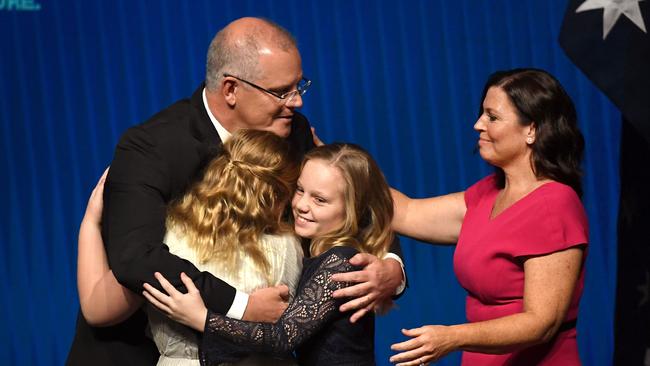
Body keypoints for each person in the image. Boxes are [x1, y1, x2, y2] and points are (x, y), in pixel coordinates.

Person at [67, 17, 405, 366]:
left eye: (299, 86)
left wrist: (391, 269)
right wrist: (242, 306)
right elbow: (136, 259)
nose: (297, 102)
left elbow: (354, 199)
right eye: (281, 91)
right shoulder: (152, 147)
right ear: (230, 89)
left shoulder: (293, 132)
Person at [389, 68, 588, 365]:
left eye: (492, 117)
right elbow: (404, 212)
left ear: (531, 130)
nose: (478, 124)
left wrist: (453, 337)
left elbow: (541, 322)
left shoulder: (554, 204)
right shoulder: (487, 194)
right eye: (482, 114)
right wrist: (327, 158)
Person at [143, 143, 395, 366]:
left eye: (320, 200)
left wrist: (201, 318)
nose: (301, 205)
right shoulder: (316, 252)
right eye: (299, 189)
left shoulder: (340, 262)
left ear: (353, 208)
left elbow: (282, 338)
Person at [78, 130, 305, 365]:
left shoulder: (164, 240)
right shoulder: (287, 247)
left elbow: (98, 311)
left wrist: (91, 223)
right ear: (278, 195)